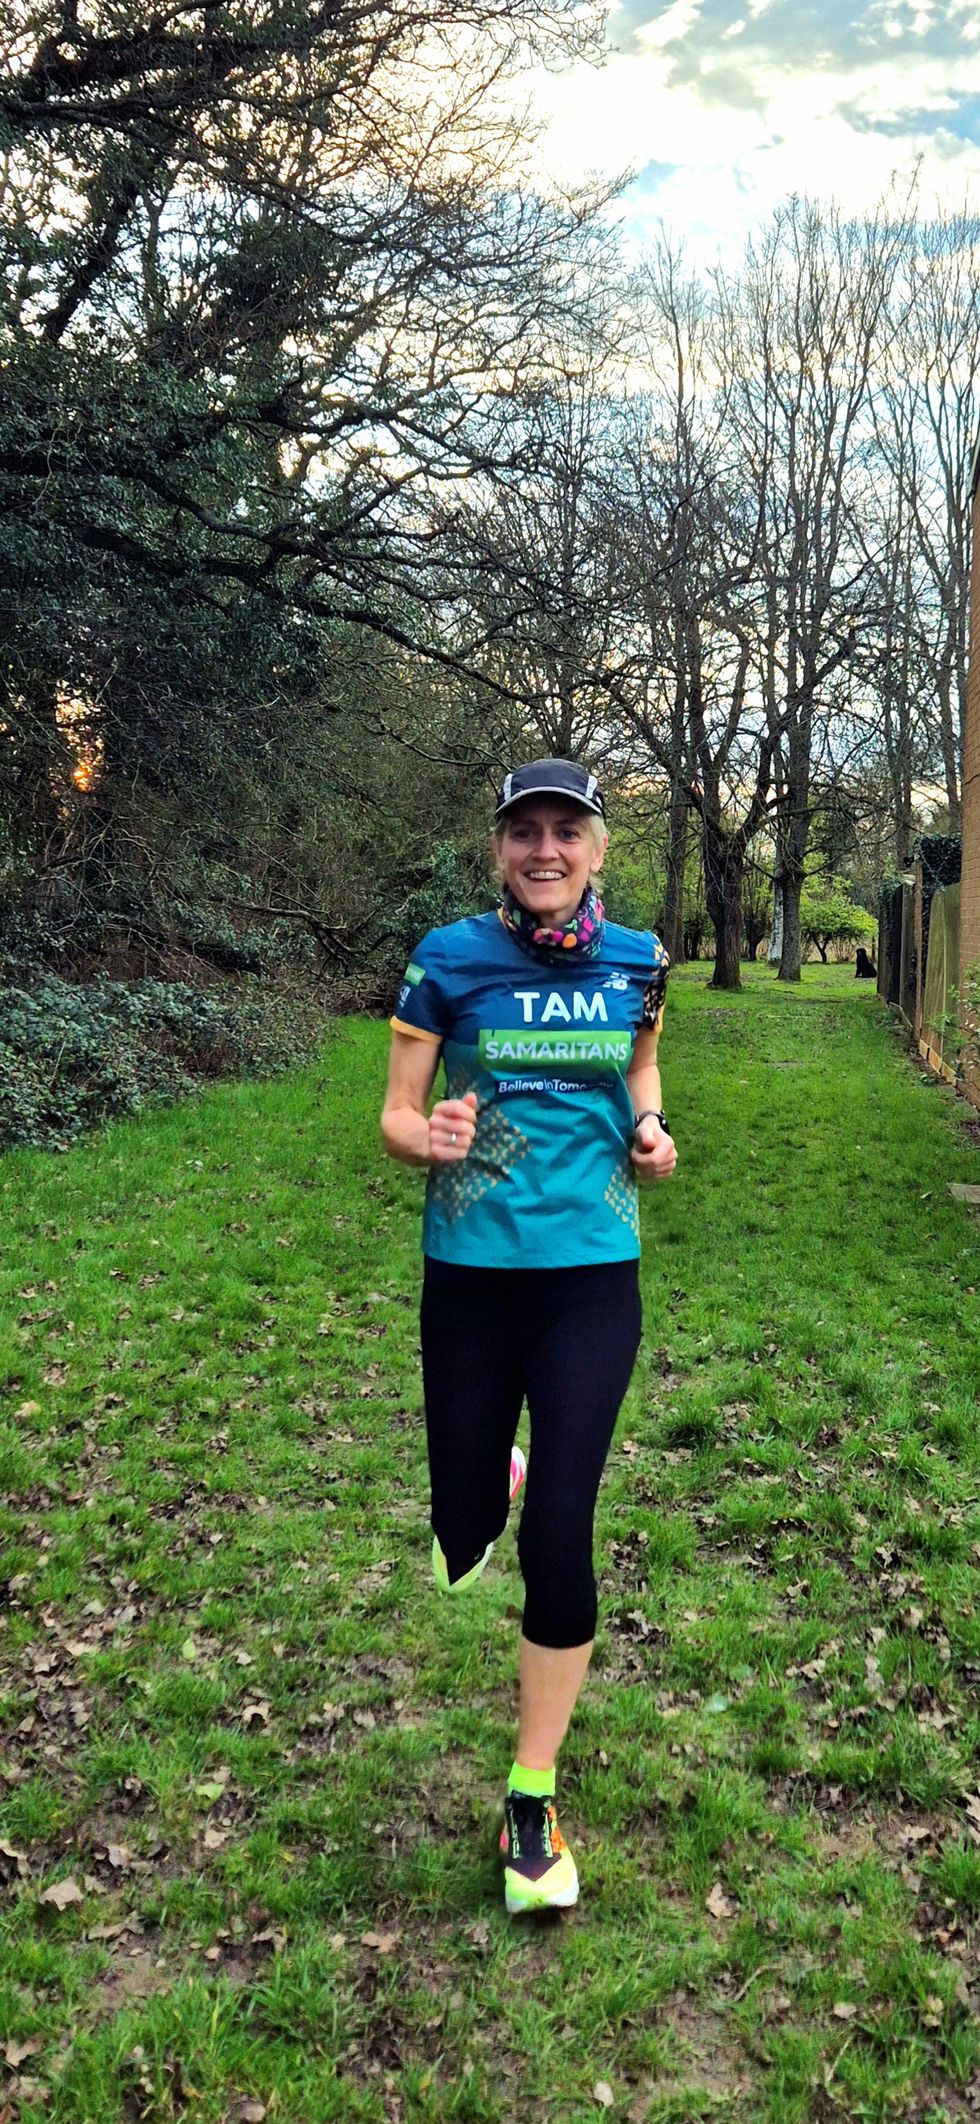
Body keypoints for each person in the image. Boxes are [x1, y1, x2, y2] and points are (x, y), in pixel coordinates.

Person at [380, 758, 676, 1914]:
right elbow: (396, 1114)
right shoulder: (445, 960)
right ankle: (487, 1478)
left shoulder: (639, 961)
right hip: (467, 1280)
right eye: (523, 833)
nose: (543, 851)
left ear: (598, 848)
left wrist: (648, 1127)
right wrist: (429, 1137)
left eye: (566, 831)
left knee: (561, 1530)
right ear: (497, 848)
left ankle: (529, 1794)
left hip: (590, 1280)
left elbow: (640, 1066)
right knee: (463, 1532)